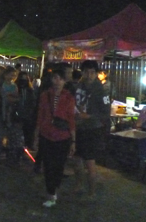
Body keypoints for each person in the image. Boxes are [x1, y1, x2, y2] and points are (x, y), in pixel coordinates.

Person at [36, 68, 76, 208]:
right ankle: (51, 192)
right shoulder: (45, 95)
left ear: (65, 81)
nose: (57, 81)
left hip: (63, 136)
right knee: (48, 165)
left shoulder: (69, 97)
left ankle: (54, 188)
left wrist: (73, 140)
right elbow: (40, 115)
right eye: (55, 78)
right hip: (47, 135)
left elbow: (71, 119)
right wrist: (37, 135)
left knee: (58, 166)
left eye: (60, 78)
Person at [72, 60, 111, 200]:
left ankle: (92, 192)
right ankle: (79, 185)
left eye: (92, 72)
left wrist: (88, 115)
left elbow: (106, 113)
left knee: (89, 162)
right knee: (76, 159)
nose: (89, 75)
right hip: (78, 127)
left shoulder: (101, 90)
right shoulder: (78, 86)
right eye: (86, 72)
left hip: (92, 129)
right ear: (82, 72)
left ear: (96, 73)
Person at [15, 71, 37, 150]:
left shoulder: (30, 90)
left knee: (27, 133)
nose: (23, 81)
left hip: (27, 115)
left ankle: (26, 148)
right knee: (17, 135)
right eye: (22, 79)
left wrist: (30, 112)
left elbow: (33, 102)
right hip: (17, 115)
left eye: (25, 79)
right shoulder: (16, 88)